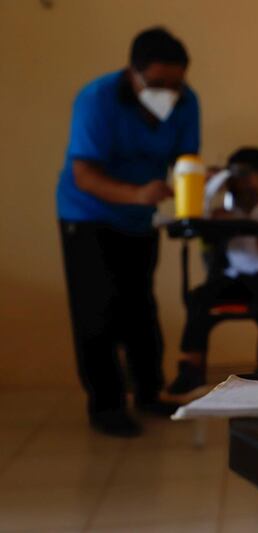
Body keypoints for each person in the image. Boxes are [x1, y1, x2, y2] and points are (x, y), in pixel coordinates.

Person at [57, 27, 200, 436]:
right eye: (157, 84)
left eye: (177, 84)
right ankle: (106, 404)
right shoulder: (96, 99)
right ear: (132, 73)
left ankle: (150, 392)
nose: (169, 93)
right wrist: (137, 193)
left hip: (140, 220)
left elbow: (186, 159)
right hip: (85, 216)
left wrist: (197, 190)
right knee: (96, 310)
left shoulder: (186, 102)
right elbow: (82, 173)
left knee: (140, 308)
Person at [164, 147, 258, 401]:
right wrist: (213, 183)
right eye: (235, 175)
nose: (240, 181)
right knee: (200, 298)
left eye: (248, 174)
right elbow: (196, 216)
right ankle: (191, 368)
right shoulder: (222, 210)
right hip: (238, 279)